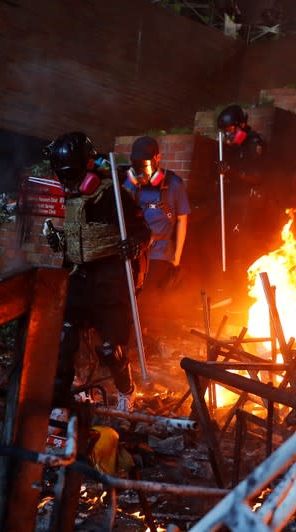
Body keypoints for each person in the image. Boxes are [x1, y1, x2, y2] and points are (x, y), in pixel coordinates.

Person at [43, 132, 151, 412]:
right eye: (63, 177)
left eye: (72, 175)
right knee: (64, 338)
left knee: (110, 349)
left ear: (89, 167)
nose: (68, 183)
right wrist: (61, 243)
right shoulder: (72, 197)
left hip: (109, 280)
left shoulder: (112, 194)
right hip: (79, 277)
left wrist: (135, 244)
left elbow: (142, 230)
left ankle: (126, 390)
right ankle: (59, 400)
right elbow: (78, 236)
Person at [123, 136, 191, 293]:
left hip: (160, 255)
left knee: (150, 300)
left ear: (157, 158)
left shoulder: (174, 184)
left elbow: (182, 221)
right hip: (135, 253)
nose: (141, 171)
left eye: (145, 163)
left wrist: (177, 257)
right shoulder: (129, 183)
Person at [216, 104, 268, 270]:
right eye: (225, 131)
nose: (227, 134)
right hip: (236, 201)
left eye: (230, 129)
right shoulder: (233, 147)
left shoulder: (254, 143)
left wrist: (232, 171)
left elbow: (258, 175)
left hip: (251, 202)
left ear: (242, 125)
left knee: (245, 242)